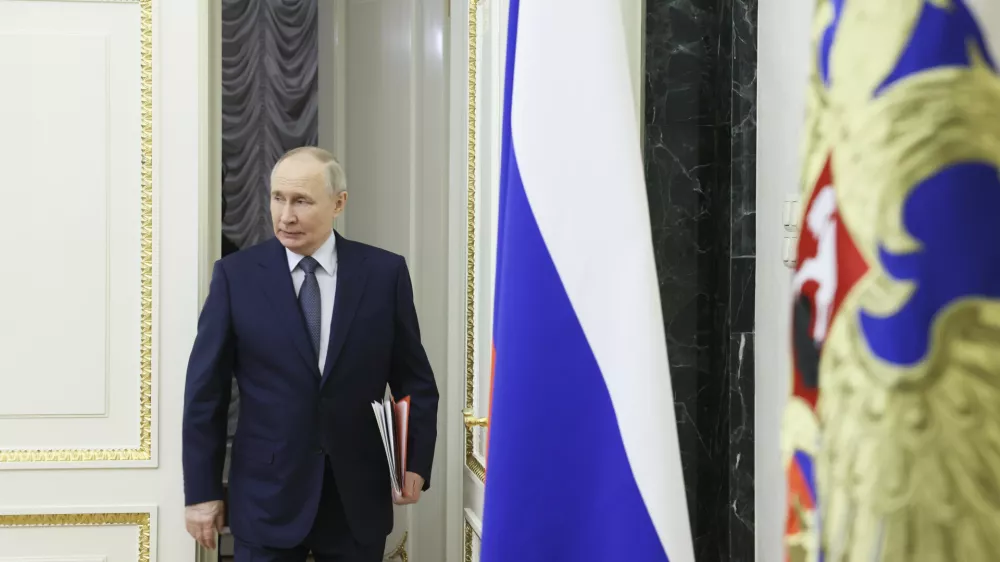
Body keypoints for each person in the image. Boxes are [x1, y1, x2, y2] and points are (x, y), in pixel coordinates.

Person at [182, 147, 439, 562]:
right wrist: (201, 493)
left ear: (339, 203)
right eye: (278, 198)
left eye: (301, 201)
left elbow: (416, 382)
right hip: (266, 498)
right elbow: (204, 395)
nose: (286, 215)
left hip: (357, 499)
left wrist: (413, 462)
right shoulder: (236, 277)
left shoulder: (384, 274)